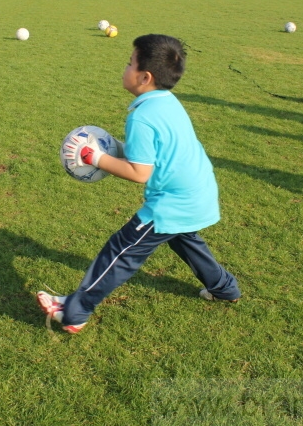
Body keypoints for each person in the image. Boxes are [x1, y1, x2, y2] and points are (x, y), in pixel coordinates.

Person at [36, 34, 241, 333]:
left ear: (145, 77)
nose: (125, 67)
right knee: (185, 240)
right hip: (198, 191)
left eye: (129, 63)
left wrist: (93, 156)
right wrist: (111, 148)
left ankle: (74, 311)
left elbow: (139, 172)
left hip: (173, 201)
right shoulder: (166, 102)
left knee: (121, 250)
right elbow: (149, 154)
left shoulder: (143, 116)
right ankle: (224, 287)